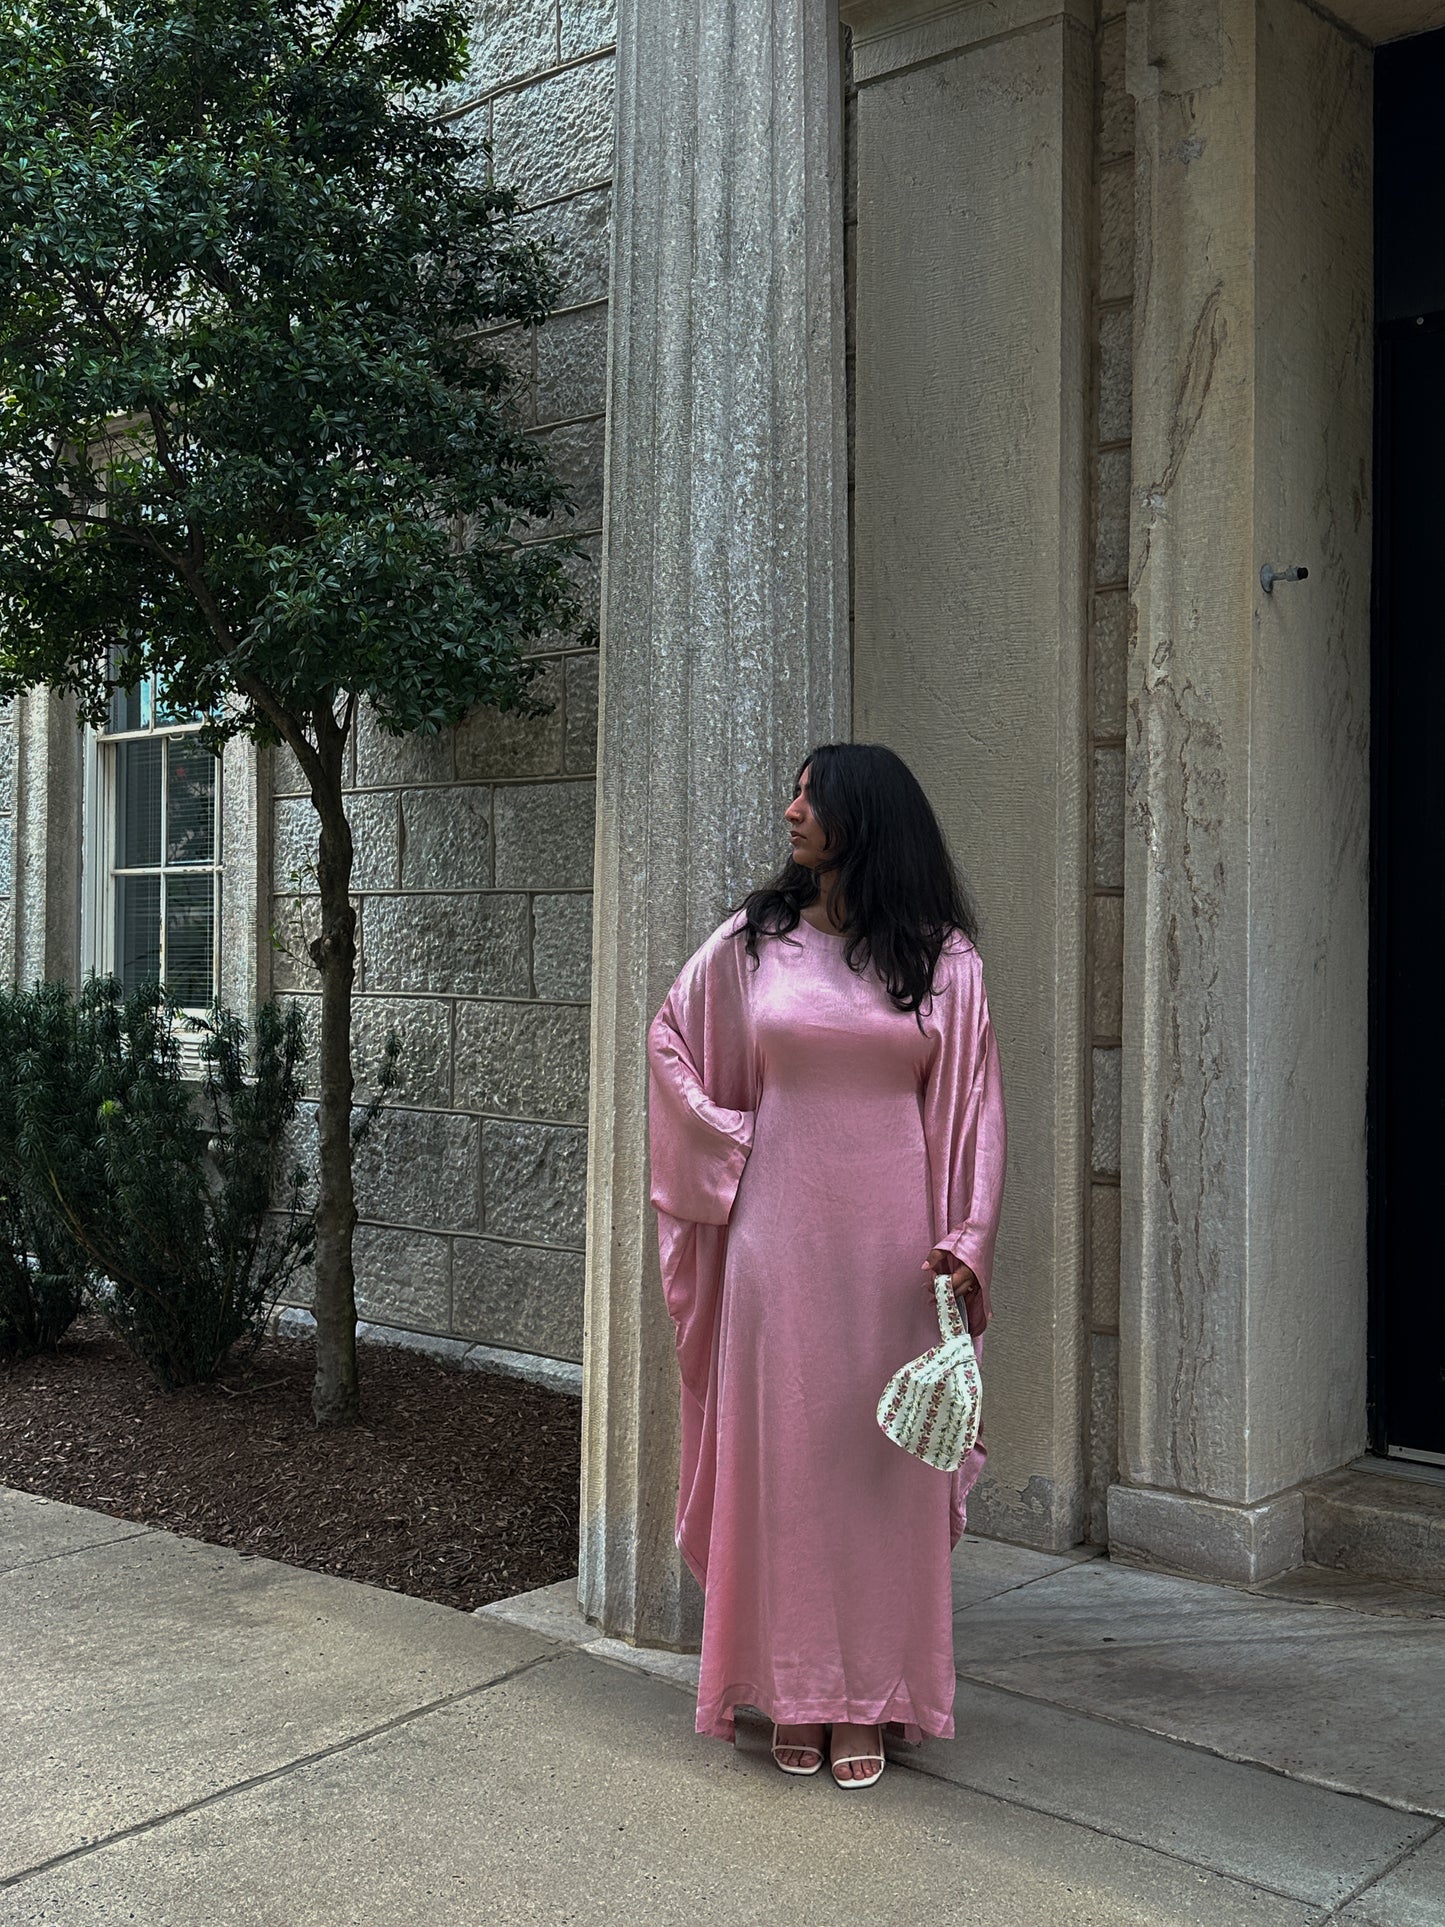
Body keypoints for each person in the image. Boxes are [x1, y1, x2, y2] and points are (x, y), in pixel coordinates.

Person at [645, 741, 1008, 1790]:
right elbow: (669, 1043)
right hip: (776, 1239)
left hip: (897, 1251)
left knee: (881, 1471)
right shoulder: (755, 942)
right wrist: (727, 1142)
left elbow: (975, 1115)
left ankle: (874, 1695)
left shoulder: (945, 963)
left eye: (811, 794)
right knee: (790, 1460)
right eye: (794, 791)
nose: (790, 808)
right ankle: (793, 1687)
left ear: (864, 819)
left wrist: (966, 1239)